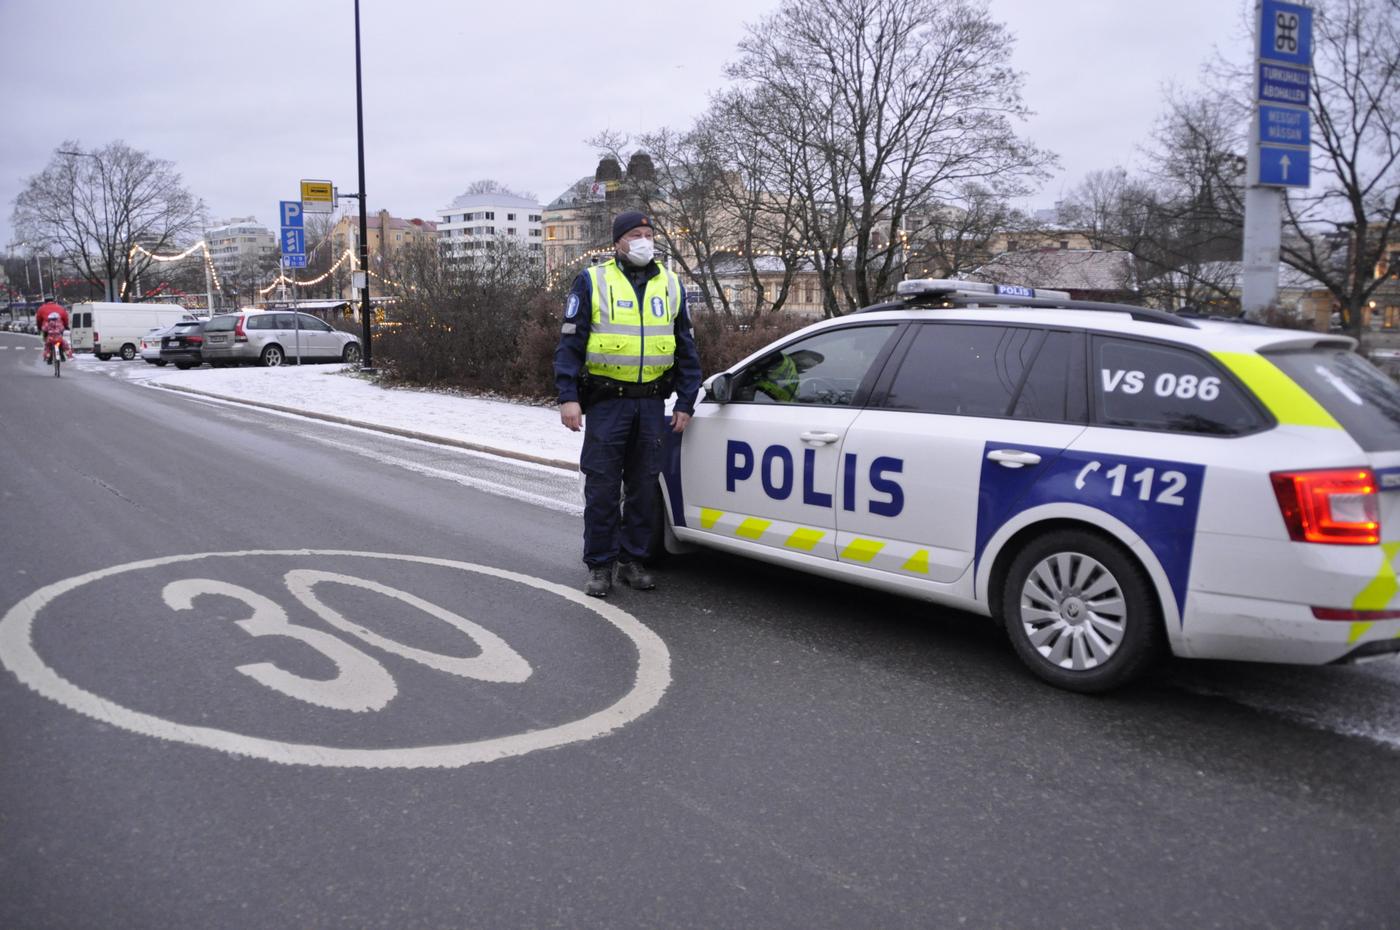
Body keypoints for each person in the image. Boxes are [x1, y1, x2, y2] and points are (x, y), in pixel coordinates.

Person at [554, 211, 702, 597]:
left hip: (652, 404)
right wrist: (568, 397)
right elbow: (569, 344)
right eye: (635, 234)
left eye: (649, 234)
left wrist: (686, 400)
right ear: (618, 241)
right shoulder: (592, 280)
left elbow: (686, 346)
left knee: (643, 487)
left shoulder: (671, 284)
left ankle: (632, 560)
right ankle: (600, 565)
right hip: (607, 404)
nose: (644, 241)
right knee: (603, 489)